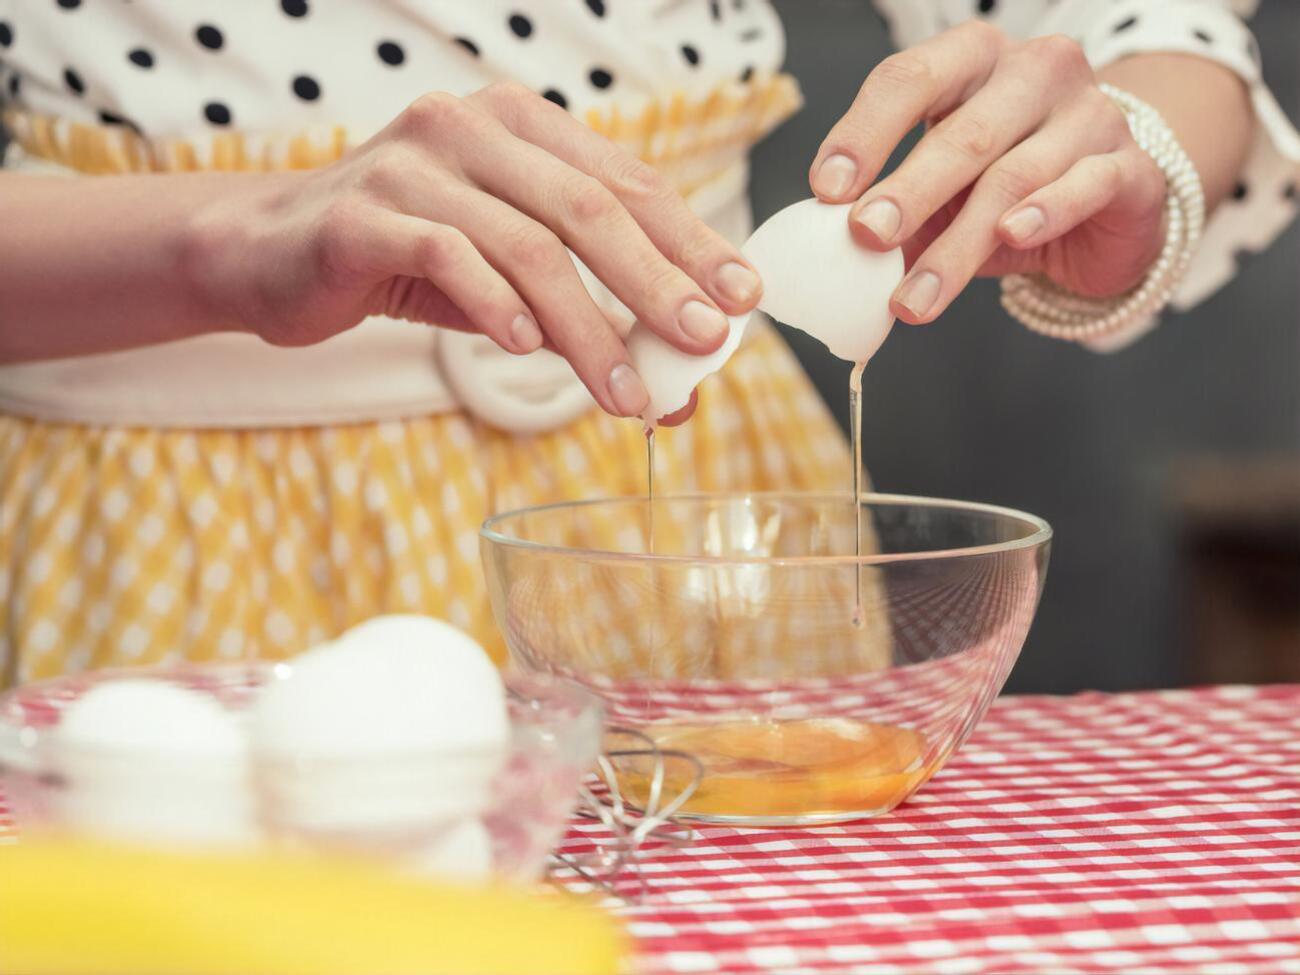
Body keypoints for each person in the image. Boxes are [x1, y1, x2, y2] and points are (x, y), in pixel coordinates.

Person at [0, 0, 1295, 687]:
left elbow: (1147, 21)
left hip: (701, 505)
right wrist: (218, 242)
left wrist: (1132, 154)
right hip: (155, 516)